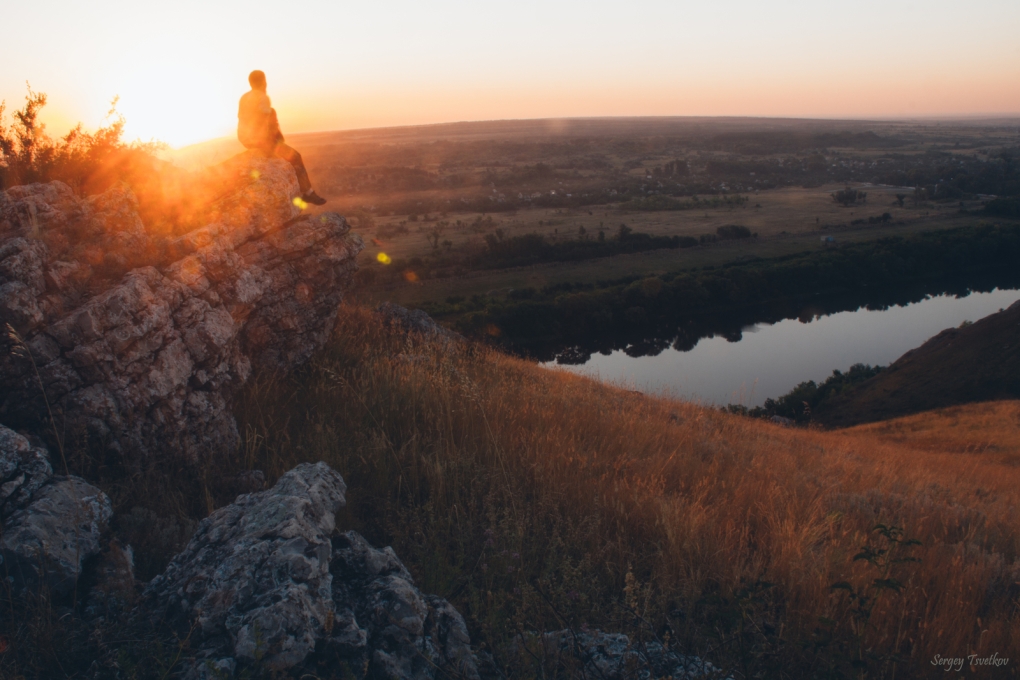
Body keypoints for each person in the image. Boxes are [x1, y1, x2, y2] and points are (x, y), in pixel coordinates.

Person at [238, 70, 326, 205]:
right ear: (263, 82)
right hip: (260, 140)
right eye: (265, 81)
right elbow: (264, 119)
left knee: (271, 113)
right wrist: (275, 141)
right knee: (295, 156)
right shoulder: (262, 97)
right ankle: (307, 192)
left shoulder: (244, 97)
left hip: (245, 139)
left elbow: (243, 119)